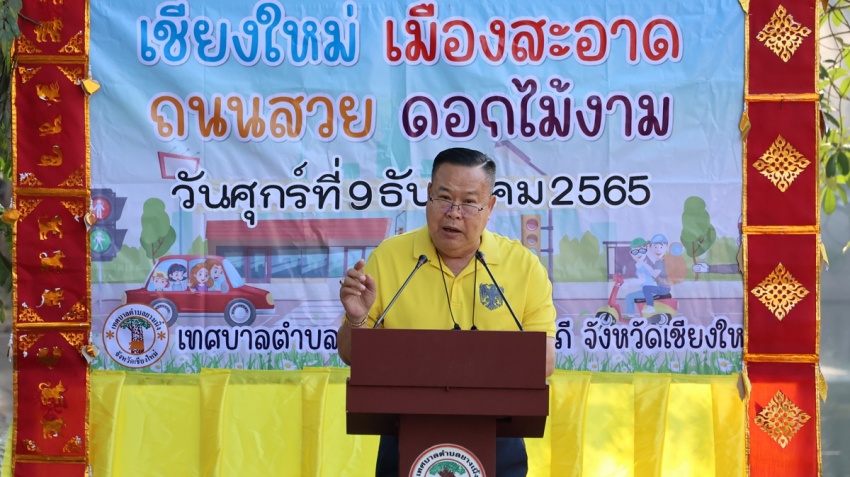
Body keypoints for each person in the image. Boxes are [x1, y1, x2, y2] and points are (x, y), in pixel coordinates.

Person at [338, 147, 556, 477]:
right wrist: (357, 319)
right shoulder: (389, 257)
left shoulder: (524, 267)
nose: (454, 213)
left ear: (490, 207)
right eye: (444, 198)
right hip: (405, 436)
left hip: (497, 438)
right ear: (428, 195)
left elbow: (544, 361)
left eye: (469, 202)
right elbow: (351, 355)